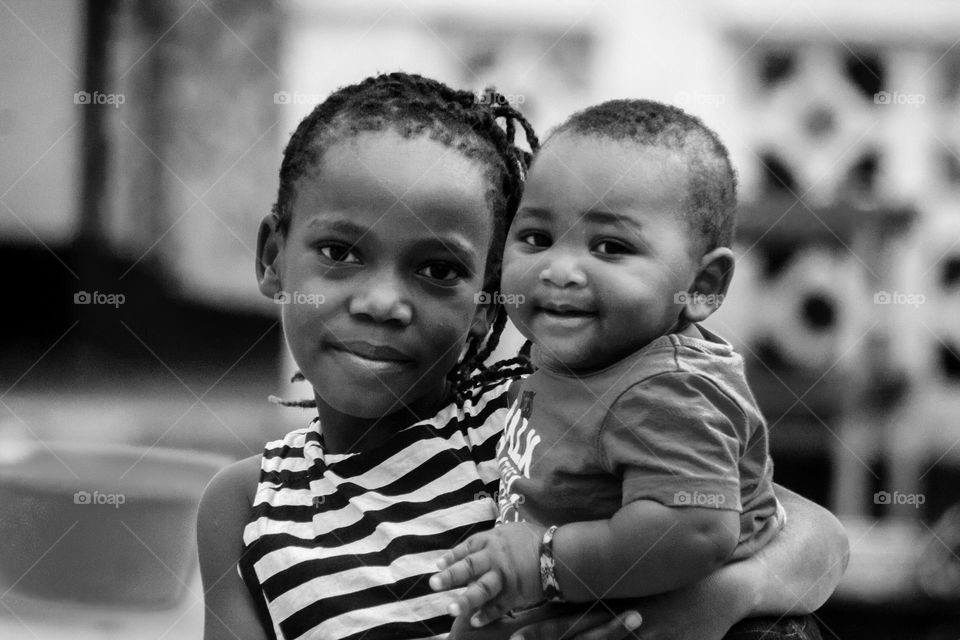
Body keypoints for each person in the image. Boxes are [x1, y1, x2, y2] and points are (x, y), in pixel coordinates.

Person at [197, 75, 849, 640]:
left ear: (489, 299)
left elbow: (818, 539)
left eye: (436, 269)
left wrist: (717, 601)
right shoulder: (245, 506)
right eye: (339, 253)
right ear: (272, 259)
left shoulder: (534, 420)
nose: (381, 303)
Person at [429, 98, 810, 631]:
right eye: (536, 238)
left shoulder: (667, 388)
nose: (559, 270)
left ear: (701, 287)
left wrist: (541, 562)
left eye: (610, 246)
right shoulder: (580, 363)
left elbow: (695, 528)